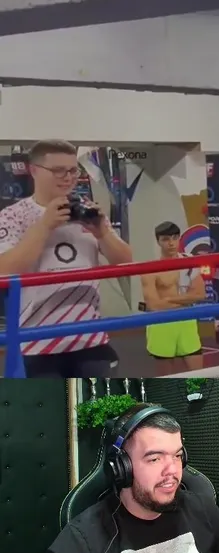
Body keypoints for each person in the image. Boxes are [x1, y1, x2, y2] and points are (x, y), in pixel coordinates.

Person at [44, 405, 219, 553]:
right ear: (122, 467)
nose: (173, 470)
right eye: (155, 459)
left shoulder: (203, 509)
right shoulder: (82, 542)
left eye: (177, 456)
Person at [0, 139, 133, 378]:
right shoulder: (13, 216)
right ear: (34, 170)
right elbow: (5, 269)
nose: (68, 177)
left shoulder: (87, 210)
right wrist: (44, 226)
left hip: (90, 338)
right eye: (58, 170)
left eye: (73, 170)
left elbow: (125, 261)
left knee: (97, 400)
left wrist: (102, 233)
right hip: (39, 341)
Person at [141, 221, 206, 375]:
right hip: (162, 324)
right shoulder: (150, 270)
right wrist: (184, 300)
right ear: (158, 241)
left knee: (199, 376)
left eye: (175, 238)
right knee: (167, 378)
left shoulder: (189, 263)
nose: (171, 243)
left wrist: (169, 300)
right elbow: (154, 305)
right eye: (165, 239)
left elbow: (200, 295)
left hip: (186, 321)